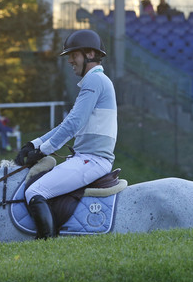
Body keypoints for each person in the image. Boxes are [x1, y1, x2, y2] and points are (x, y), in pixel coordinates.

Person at [14, 29, 117, 239]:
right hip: (87, 158)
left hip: (92, 160)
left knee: (35, 192)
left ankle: (47, 248)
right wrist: (34, 144)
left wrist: (44, 151)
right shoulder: (96, 81)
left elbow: (73, 124)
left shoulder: (95, 81)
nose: (70, 60)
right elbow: (68, 123)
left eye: (74, 54)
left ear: (90, 54)